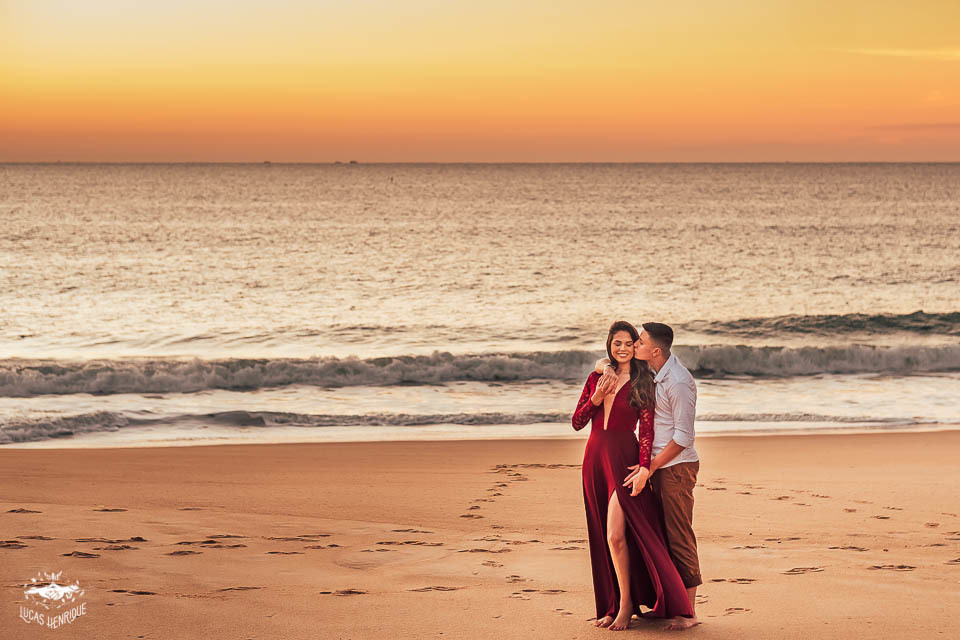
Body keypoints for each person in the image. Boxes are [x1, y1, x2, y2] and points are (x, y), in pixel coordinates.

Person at [572, 320, 695, 630]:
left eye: (631, 343)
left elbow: (647, 432)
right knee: (603, 535)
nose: (626, 348)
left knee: (616, 535)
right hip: (593, 460)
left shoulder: (645, 382)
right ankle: (612, 606)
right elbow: (577, 421)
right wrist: (596, 397)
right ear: (609, 347)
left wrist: (643, 468)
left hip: (624, 459)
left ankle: (628, 605)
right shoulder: (597, 376)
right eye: (619, 344)